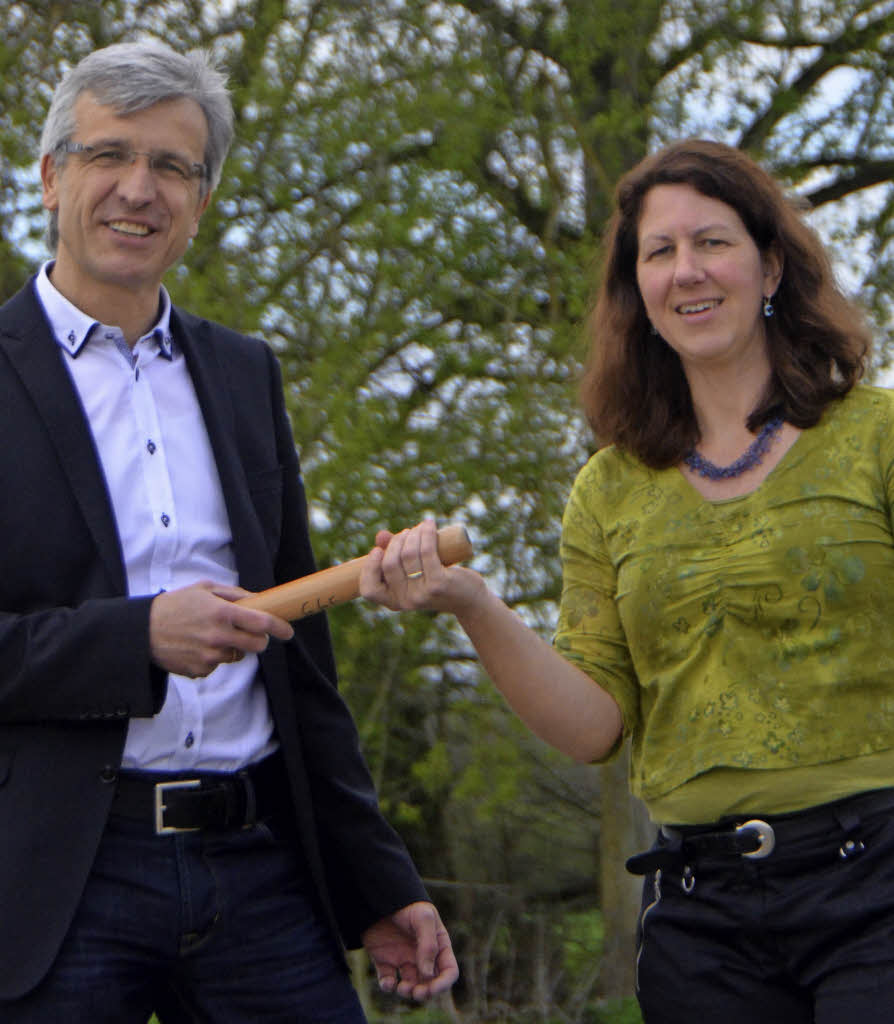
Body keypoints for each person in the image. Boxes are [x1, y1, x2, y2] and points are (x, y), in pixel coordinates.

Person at [359, 138, 894, 1022]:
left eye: (712, 242)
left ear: (770, 267)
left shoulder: (874, 435)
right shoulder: (608, 489)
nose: (688, 271)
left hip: (876, 879)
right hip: (703, 913)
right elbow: (595, 724)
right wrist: (471, 604)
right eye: (660, 252)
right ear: (637, 293)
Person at [0, 39, 457, 1022]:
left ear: (201, 202)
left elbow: (307, 667)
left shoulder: (245, 374)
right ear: (48, 178)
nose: (139, 188)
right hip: (59, 885)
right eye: (109, 155)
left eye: (173, 166)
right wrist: (137, 638)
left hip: (261, 869)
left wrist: (374, 882)